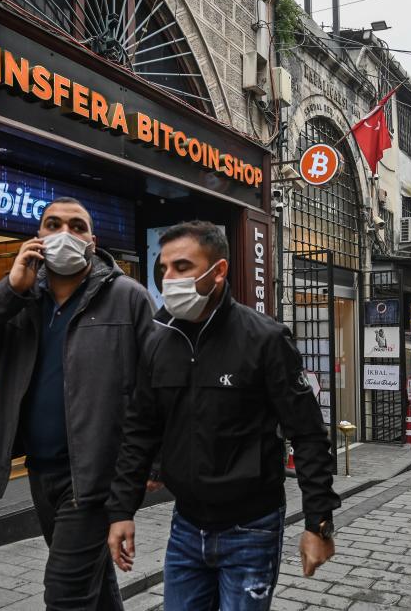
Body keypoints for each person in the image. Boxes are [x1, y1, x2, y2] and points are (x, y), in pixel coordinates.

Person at [105, 221, 341, 610]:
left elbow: (308, 433)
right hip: (185, 525)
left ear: (219, 272)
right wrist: (121, 510)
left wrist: (318, 523)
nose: (169, 278)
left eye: (182, 267)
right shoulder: (158, 340)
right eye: (163, 269)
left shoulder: (264, 338)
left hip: (251, 527)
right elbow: (140, 431)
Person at [0, 197, 155, 610]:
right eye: (52, 224)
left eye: (77, 226)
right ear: (37, 238)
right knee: (92, 587)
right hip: (40, 471)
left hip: (97, 475)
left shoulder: (128, 297)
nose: (64, 234)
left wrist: (155, 459)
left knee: (65, 594)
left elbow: (161, 381)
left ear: (92, 243)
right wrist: (9, 287)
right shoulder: (21, 300)